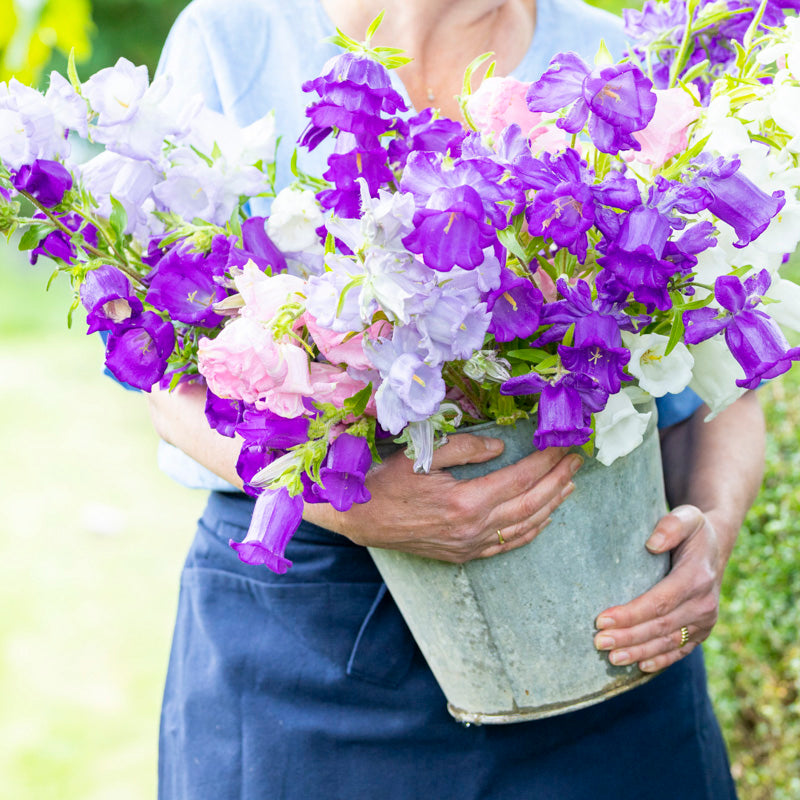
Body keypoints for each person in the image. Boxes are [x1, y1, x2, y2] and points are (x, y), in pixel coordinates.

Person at [148, 0, 767, 797]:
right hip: (302, 642)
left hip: (601, 637)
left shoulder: (616, 65)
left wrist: (711, 529)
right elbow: (170, 386)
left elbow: (723, 390)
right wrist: (346, 500)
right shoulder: (233, 38)